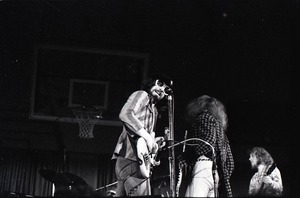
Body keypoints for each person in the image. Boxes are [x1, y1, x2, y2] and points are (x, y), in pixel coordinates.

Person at [111, 77, 171, 196]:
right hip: (131, 157)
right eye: (159, 83)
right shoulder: (142, 94)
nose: (161, 89)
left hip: (134, 160)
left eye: (165, 89)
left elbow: (144, 140)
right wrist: (148, 138)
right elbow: (125, 114)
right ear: (151, 83)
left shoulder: (154, 111)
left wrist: (156, 141)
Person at [177, 95, 234, 197]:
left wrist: (187, 156)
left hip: (202, 167)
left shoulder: (204, 117)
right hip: (215, 175)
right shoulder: (220, 129)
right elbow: (230, 163)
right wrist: (220, 176)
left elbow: (208, 142)